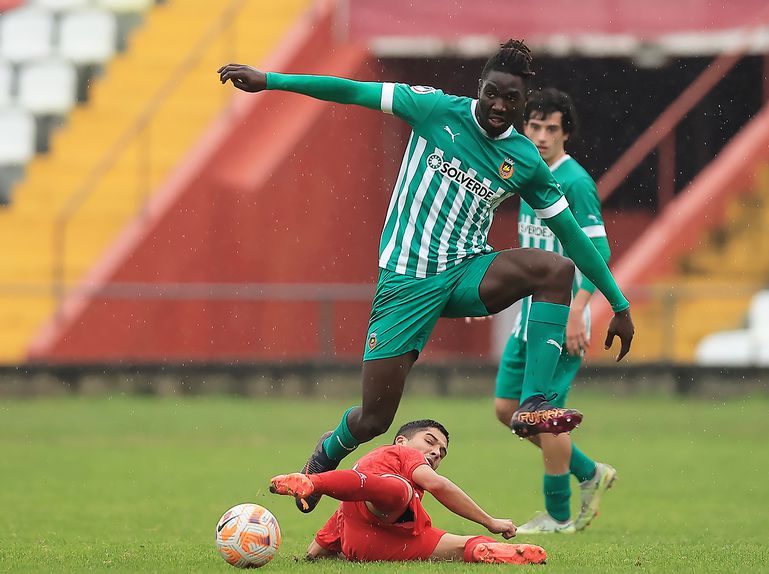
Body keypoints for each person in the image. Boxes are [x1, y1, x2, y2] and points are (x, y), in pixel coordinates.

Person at [218, 39, 634, 514]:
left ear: (522, 103)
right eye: (492, 93)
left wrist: (617, 304)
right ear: (479, 88)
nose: (499, 106)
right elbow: (351, 91)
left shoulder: (525, 160)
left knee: (554, 269)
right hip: (406, 280)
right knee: (375, 417)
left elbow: (575, 237)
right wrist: (271, 80)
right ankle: (322, 461)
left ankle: (532, 403)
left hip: (466, 270)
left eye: (511, 99)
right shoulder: (434, 107)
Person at [494, 88, 618, 534]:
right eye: (534, 126)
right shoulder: (527, 172)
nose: (541, 136)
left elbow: (596, 251)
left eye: (551, 128)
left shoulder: (576, 182)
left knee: (543, 417)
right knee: (509, 408)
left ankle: (559, 515)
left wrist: (577, 309)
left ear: (566, 133)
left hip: (561, 321)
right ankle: (589, 473)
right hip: (528, 318)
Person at [269, 419, 547, 564]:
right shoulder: (399, 453)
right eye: (429, 441)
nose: (436, 452)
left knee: (460, 545)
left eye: (441, 452)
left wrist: (314, 552)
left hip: (378, 541)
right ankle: (313, 481)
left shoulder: (393, 479)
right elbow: (439, 484)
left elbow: (341, 518)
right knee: (398, 490)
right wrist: (491, 521)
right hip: (382, 504)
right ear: (402, 440)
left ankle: (493, 551)